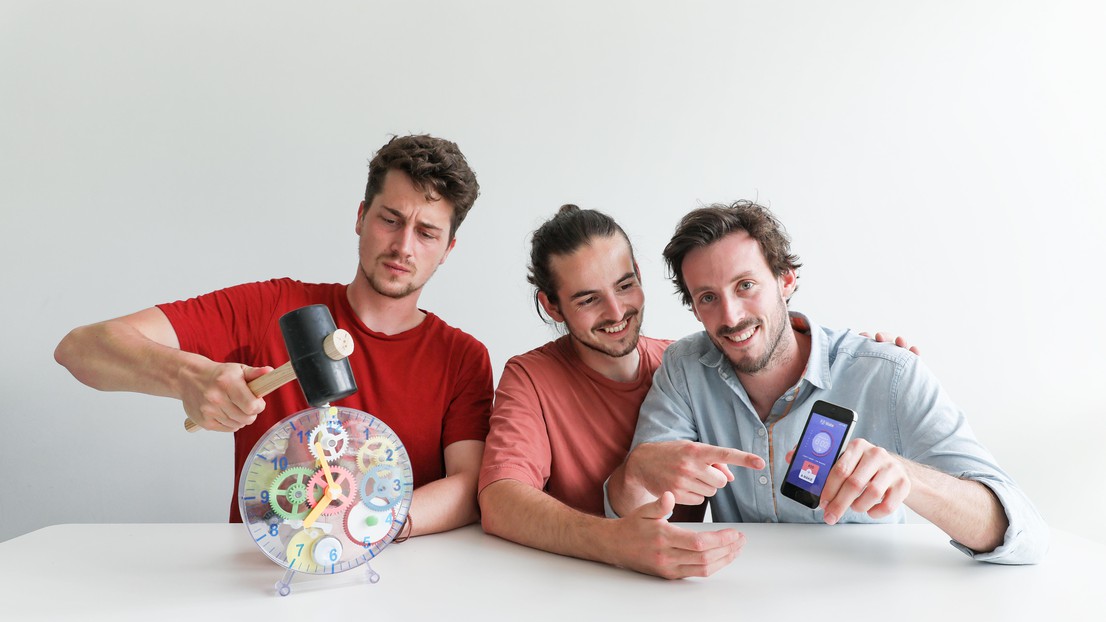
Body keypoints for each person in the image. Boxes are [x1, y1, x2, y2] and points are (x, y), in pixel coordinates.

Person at [54, 134, 493, 537]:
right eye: (391, 220)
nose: (404, 246)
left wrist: (370, 526)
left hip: (398, 585)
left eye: (427, 232)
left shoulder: (462, 357)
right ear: (361, 217)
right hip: (261, 583)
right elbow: (79, 349)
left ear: (448, 249)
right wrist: (187, 376)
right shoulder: (272, 309)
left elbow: (470, 484)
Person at [478, 205, 914, 579]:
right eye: (588, 299)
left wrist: (866, 362)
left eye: (625, 285)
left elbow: (772, 349)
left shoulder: (690, 367)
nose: (616, 312)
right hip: (575, 582)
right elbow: (500, 500)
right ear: (551, 305)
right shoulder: (531, 377)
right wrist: (613, 542)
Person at [605, 201, 1048, 565]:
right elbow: (636, 518)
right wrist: (638, 471)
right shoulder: (685, 367)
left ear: (786, 280)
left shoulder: (888, 373)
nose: (731, 316)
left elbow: (1023, 535)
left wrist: (908, 477)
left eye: (746, 285)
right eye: (708, 298)